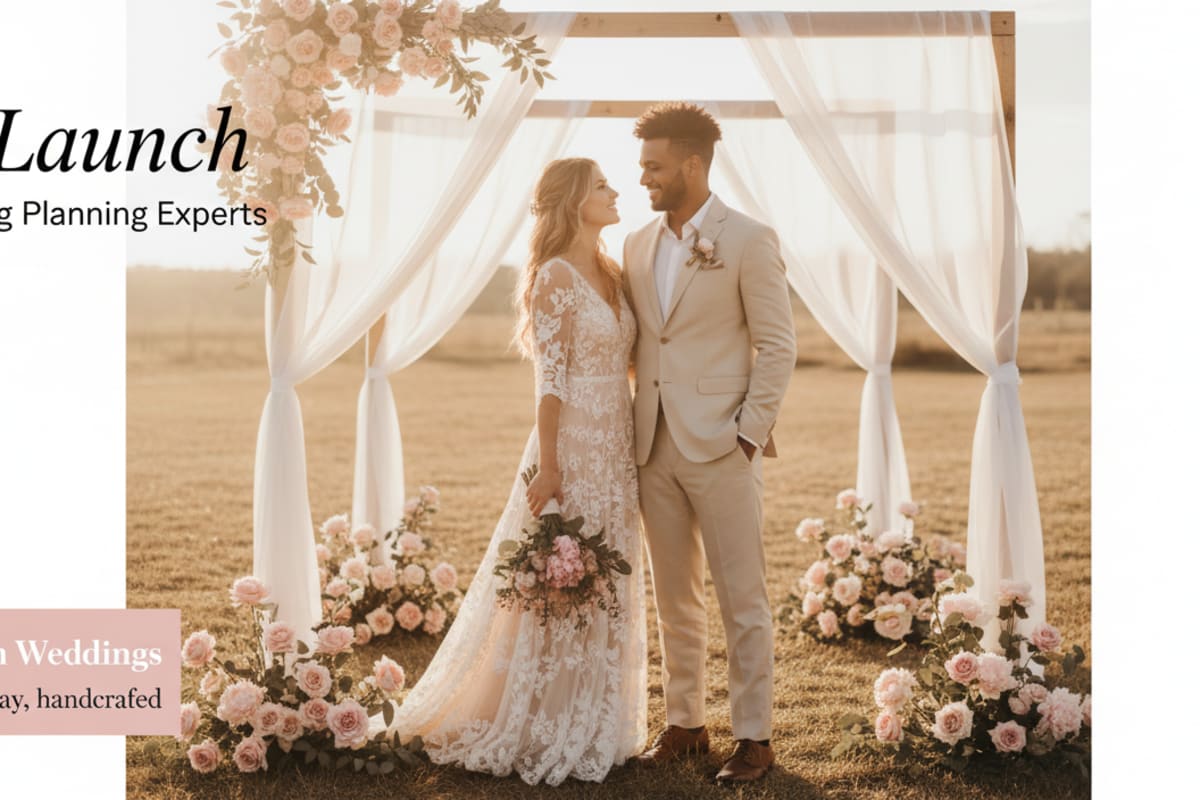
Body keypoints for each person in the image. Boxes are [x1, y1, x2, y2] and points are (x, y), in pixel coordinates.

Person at [383, 158, 647, 786]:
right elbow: (549, 380)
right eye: (603, 186)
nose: (615, 193)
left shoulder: (612, 270)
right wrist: (550, 467)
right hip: (572, 452)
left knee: (606, 583)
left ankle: (595, 717)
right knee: (558, 585)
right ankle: (541, 721)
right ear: (574, 200)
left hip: (617, 451)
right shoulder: (555, 276)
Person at [621, 102, 797, 783]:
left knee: (741, 599)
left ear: (692, 165)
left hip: (724, 446)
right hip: (653, 446)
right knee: (674, 598)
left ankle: (754, 738)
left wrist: (747, 436)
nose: (643, 179)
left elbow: (778, 346)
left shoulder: (749, 239)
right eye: (641, 167)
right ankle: (685, 724)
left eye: (654, 166)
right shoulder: (637, 243)